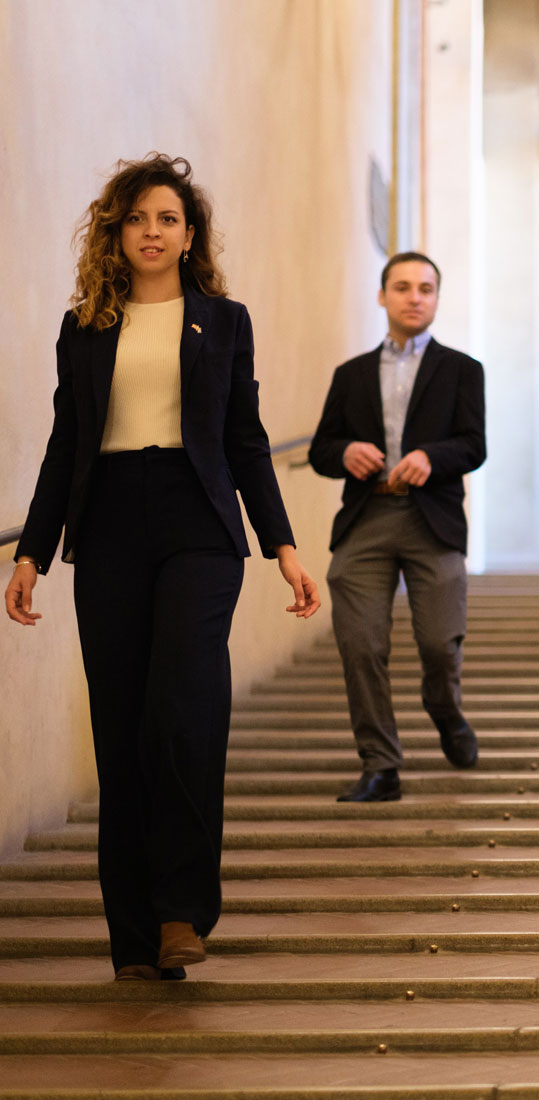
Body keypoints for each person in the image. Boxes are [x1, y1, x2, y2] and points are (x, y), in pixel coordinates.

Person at [3, 154, 320, 982]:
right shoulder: (85, 326)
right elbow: (66, 442)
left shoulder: (223, 318)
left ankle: (181, 909)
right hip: (107, 522)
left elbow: (246, 440)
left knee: (181, 709)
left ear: (189, 235)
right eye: (139, 217)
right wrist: (32, 549)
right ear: (118, 229)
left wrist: (283, 546)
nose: (153, 231)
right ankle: (134, 935)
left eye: (169, 219)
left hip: (197, 522)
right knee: (122, 723)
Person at [309, 252, 487, 802]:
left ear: (436, 299)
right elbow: (320, 450)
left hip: (431, 519)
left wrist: (432, 456)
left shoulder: (462, 369)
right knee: (361, 644)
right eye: (403, 287)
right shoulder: (351, 374)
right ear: (383, 296)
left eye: (426, 288)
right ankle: (380, 764)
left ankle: (444, 706)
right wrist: (346, 452)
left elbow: (473, 445)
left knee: (438, 643)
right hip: (368, 518)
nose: (415, 297)